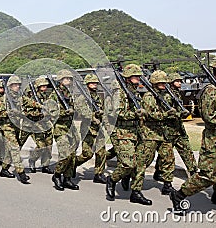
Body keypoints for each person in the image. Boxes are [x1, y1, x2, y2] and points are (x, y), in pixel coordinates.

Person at [170, 54, 216, 226]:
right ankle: (179, 195)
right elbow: (209, 117)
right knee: (207, 177)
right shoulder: (210, 90)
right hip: (215, 141)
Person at [129, 70, 177, 204]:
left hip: (163, 133)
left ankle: (167, 184)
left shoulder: (165, 95)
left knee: (168, 158)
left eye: (164, 82)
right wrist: (167, 115)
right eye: (161, 82)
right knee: (143, 162)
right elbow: (151, 115)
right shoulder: (149, 96)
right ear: (155, 83)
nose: (163, 84)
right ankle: (136, 191)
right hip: (149, 133)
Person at [106, 64, 146, 202]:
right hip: (121, 132)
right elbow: (118, 113)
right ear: (128, 77)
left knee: (140, 163)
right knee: (127, 164)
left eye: (139, 76)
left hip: (136, 131)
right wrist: (135, 114)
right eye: (135, 76)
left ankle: (136, 192)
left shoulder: (133, 90)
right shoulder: (119, 92)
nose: (138, 78)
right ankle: (112, 180)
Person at [0, 75, 30, 184]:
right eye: (15, 85)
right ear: (10, 86)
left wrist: (42, 107)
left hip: (16, 126)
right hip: (7, 127)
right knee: (15, 148)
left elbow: (29, 102)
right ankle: (21, 173)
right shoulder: (5, 98)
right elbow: (0, 113)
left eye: (18, 85)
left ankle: (4, 169)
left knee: (12, 149)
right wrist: (10, 113)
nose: (17, 87)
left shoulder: (19, 97)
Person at [49, 69, 79, 191]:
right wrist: (64, 112)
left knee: (72, 155)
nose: (68, 81)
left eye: (70, 79)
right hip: (60, 128)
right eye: (66, 79)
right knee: (65, 154)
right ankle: (57, 175)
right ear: (60, 80)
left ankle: (67, 178)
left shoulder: (70, 93)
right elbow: (50, 113)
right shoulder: (54, 95)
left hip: (70, 128)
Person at [75, 74, 106, 184]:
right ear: (87, 84)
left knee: (101, 153)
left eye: (96, 83)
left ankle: (98, 174)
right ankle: (73, 164)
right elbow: (82, 112)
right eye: (92, 83)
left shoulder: (97, 96)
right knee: (87, 154)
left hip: (98, 128)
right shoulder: (81, 97)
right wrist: (93, 116)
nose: (94, 84)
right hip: (88, 129)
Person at [25, 76, 54, 174]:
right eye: (42, 86)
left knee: (49, 145)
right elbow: (28, 113)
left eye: (46, 86)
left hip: (46, 123)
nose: (45, 87)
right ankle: (32, 159)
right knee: (41, 146)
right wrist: (40, 114)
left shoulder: (46, 96)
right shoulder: (32, 97)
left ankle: (45, 165)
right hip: (36, 124)